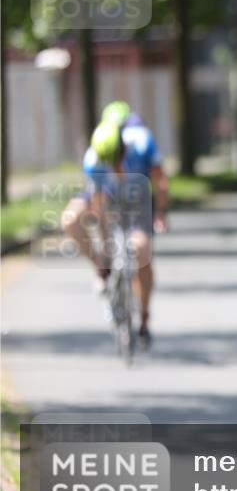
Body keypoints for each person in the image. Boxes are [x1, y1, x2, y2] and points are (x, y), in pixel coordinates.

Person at [62, 101, 169, 350]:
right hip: (108, 197)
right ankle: (101, 267)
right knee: (70, 219)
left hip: (138, 198)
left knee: (142, 250)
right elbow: (98, 203)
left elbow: (160, 181)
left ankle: (143, 318)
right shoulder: (93, 159)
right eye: (109, 164)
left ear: (125, 149)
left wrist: (161, 212)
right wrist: (106, 244)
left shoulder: (142, 144)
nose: (115, 168)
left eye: (118, 161)